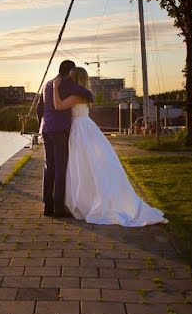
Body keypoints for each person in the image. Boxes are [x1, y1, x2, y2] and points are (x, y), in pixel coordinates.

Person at [53, 67, 166, 226]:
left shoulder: (76, 96)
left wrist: (54, 88)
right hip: (86, 127)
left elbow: (58, 106)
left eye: (71, 78)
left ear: (76, 79)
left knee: (81, 165)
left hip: (80, 129)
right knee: (86, 164)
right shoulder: (84, 93)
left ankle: (85, 200)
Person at [36, 60, 94, 217]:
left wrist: (41, 126)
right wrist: (90, 96)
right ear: (70, 72)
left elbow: (39, 108)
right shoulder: (67, 84)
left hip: (46, 130)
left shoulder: (47, 84)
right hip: (60, 131)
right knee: (60, 168)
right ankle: (59, 208)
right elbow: (86, 94)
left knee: (49, 166)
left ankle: (47, 206)